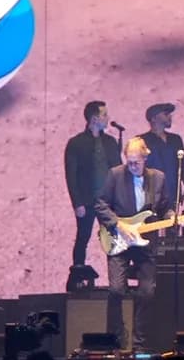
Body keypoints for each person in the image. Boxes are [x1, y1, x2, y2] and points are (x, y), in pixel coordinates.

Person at [94, 137, 172, 355]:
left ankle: (139, 343)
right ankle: (117, 339)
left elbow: (166, 206)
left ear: (145, 158)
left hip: (145, 243)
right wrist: (118, 225)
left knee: (147, 292)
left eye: (136, 162)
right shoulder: (115, 174)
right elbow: (100, 204)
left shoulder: (158, 178)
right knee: (116, 290)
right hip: (119, 239)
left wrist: (173, 217)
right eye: (129, 162)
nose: (132, 166)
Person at [65, 102, 124, 273]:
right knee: (83, 237)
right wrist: (77, 203)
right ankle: (78, 274)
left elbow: (117, 171)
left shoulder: (110, 142)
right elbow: (72, 176)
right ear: (95, 118)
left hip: (107, 201)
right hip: (87, 200)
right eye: (104, 115)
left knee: (113, 239)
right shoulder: (76, 143)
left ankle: (117, 276)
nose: (108, 118)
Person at [139, 104, 184, 208]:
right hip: (150, 197)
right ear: (153, 118)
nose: (170, 117)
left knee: (172, 223)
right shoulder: (141, 140)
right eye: (166, 114)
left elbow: (183, 166)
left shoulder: (175, 139)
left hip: (172, 195)